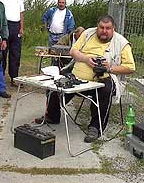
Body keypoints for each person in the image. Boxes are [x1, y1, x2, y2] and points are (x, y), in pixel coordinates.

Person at [35, 15, 135, 143]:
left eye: (108, 28)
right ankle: (52, 116)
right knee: (57, 83)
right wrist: (86, 59)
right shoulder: (88, 33)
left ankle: (95, 127)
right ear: (97, 26)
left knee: (106, 90)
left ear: (113, 29)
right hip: (77, 77)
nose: (104, 31)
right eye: (101, 27)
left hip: (103, 79)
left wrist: (110, 68)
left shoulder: (121, 42)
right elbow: (73, 51)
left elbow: (130, 68)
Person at [0, 0, 24, 87]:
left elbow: (21, 12)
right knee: (3, 53)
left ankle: (14, 78)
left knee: (15, 54)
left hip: (16, 26)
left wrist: (21, 27)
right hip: (5, 25)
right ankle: (0, 79)